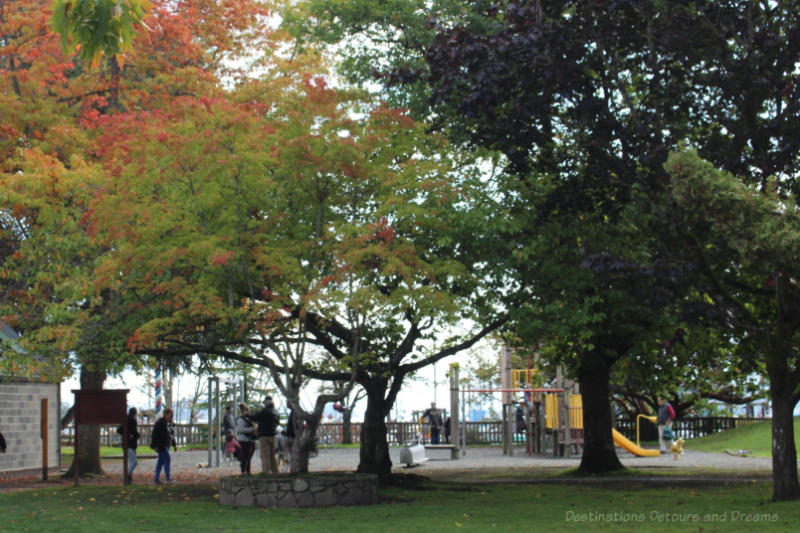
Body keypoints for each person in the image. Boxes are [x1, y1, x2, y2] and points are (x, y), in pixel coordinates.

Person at [252, 397, 280, 474]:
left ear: (266, 403)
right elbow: (277, 423)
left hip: (264, 436)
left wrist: (248, 416)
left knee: (264, 455)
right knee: (272, 455)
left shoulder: (264, 411)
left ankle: (266, 472)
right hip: (273, 435)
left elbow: (256, 418)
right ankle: (275, 471)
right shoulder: (276, 412)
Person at [151, 408, 177, 484]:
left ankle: (156, 478)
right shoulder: (160, 423)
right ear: (165, 415)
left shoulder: (169, 424)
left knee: (161, 461)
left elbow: (171, 435)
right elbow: (154, 435)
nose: (171, 417)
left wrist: (174, 444)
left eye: (172, 415)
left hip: (166, 444)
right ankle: (168, 478)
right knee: (167, 459)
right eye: (170, 415)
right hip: (161, 445)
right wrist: (154, 446)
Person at [117, 407, 140, 483]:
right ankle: (127, 476)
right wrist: (130, 435)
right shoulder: (131, 420)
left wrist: (127, 435)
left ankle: (129, 478)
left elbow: (119, 430)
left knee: (131, 461)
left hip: (128, 443)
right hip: (130, 444)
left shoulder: (126, 420)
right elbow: (133, 431)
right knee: (134, 461)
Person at [236, 403, 257, 474]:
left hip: (251, 440)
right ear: (242, 411)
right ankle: (243, 470)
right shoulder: (240, 420)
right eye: (246, 410)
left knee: (249, 457)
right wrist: (252, 429)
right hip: (244, 440)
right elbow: (240, 429)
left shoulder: (248, 420)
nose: (248, 412)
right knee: (245, 456)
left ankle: (248, 470)